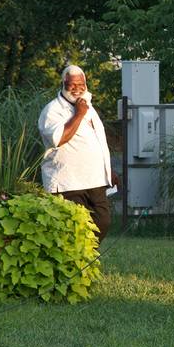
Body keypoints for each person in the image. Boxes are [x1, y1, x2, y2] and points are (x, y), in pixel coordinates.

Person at [37, 64, 117, 242]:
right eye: (72, 85)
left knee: (103, 221)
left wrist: (108, 170)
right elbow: (59, 139)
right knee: (76, 226)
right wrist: (79, 114)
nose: (77, 89)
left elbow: (96, 142)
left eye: (81, 85)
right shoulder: (52, 110)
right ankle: (78, 261)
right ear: (63, 84)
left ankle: (86, 254)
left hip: (94, 179)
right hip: (68, 181)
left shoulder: (88, 106)